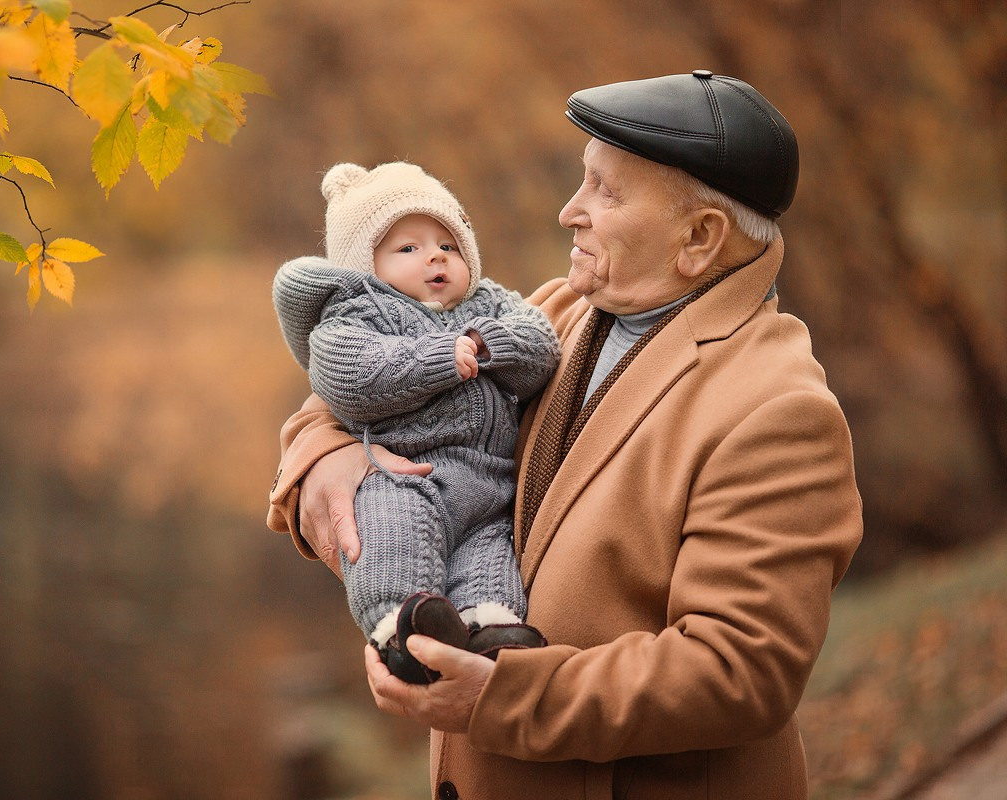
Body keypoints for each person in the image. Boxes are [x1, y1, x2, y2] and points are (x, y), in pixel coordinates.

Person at [267, 71, 863, 799]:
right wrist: (327, 456)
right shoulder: (562, 313)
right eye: (582, 182)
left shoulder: (777, 410)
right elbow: (364, 381)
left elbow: (739, 674)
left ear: (700, 238)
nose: (567, 213)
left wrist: (500, 696)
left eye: (605, 192)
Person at [272, 161, 561, 684]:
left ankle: (488, 628)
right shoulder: (357, 313)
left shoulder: (489, 304)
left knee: (489, 553)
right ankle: (398, 628)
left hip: (488, 487)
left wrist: (489, 343)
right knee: (391, 536)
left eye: (447, 245)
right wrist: (439, 356)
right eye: (408, 248)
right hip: (402, 475)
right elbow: (349, 374)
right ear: (367, 266)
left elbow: (542, 346)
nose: (434, 256)